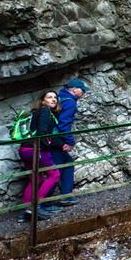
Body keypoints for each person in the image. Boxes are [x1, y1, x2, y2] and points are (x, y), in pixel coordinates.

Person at [17, 90, 63, 222]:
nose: (53, 100)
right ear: (42, 101)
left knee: (35, 180)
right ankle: (35, 206)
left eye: (55, 97)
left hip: (24, 150)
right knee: (54, 175)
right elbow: (42, 133)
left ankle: (24, 212)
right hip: (35, 149)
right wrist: (46, 148)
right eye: (49, 97)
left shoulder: (36, 113)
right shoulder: (45, 111)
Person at [54, 78, 89, 206]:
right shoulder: (70, 102)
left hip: (53, 139)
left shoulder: (60, 98)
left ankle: (66, 196)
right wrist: (70, 141)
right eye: (82, 90)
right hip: (56, 141)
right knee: (54, 172)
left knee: (68, 164)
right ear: (74, 90)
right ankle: (43, 204)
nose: (84, 92)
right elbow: (64, 124)